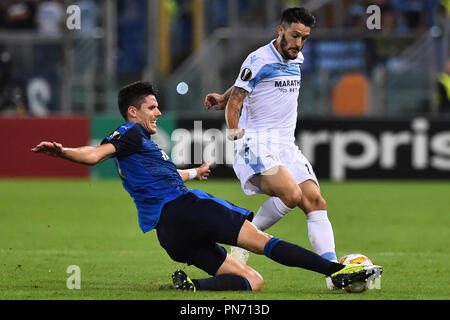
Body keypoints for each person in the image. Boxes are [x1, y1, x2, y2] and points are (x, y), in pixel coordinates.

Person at [31, 81, 382, 292]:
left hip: (169, 234)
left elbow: (162, 177)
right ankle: (337, 271)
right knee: (265, 244)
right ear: (133, 112)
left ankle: (192, 287)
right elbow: (94, 154)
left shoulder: (138, 147)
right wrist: (63, 152)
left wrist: (192, 172)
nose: (157, 112)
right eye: (151, 107)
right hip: (188, 210)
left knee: (252, 282)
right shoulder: (131, 133)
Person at [204, 7, 339, 289]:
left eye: (304, 38)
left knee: (315, 201)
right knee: (291, 194)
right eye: (294, 36)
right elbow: (237, 101)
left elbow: (242, 84)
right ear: (280, 30)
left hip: (286, 145)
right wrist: (233, 130)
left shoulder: (296, 56)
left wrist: (221, 94)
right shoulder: (259, 58)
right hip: (255, 142)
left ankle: (333, 273)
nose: (298, 43)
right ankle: (245, 237)